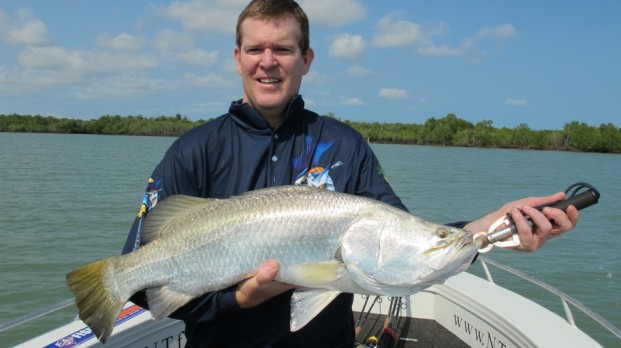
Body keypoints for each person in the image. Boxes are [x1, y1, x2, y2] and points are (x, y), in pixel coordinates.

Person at [121, 0, 579, 347]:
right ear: (237, 57)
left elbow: (404, 243)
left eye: (283, 49)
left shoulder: (343, 144)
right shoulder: (193, 150)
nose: (268, 61)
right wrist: (240, 299)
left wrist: (489, 229)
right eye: (256, 49)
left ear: (306, 59)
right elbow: (140, 284)